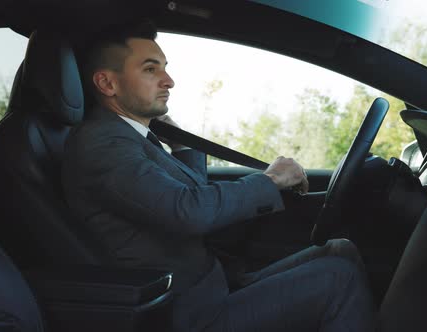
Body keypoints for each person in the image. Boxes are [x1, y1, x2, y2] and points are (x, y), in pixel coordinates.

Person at [62, 20, 375, 331]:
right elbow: (188, 211)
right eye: (150, 69)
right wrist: (271, 180)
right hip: (188, 312)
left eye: (165, 68)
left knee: (339, 249)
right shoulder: (102, 144)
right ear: (107, 84)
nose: (168, 80)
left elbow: (189, 192)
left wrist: (183, 144)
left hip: (213, 285)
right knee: (338, 278)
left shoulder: (128, 137)